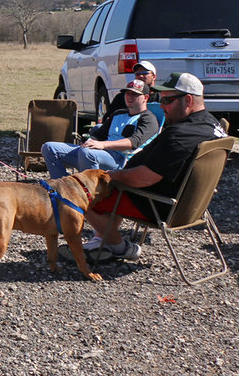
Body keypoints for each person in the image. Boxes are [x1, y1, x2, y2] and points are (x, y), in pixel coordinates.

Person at [83, 72, 228, 260]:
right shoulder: (213, 125)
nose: (161, 105)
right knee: (112, 187)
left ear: (188, 100)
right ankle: (99, 240)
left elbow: (144, 178)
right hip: (192, 205)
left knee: (81, 195)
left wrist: (110, 175)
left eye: (168, 101)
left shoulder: (180, 134)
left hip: (157, 204)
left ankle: (120, 248)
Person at [41, 78, 159, 179]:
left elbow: (133, 142)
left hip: (121, 159)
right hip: (99, 153)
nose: (129, 96)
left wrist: (103, 145)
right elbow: (99, 134)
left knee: (87, 153)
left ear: (146, 97)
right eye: (128, 93)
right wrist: (90, 141)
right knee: (49, 147)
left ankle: (90, 193)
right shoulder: (118, 114)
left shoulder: (148, 119)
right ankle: (62, 187)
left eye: (135, 94)